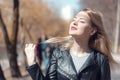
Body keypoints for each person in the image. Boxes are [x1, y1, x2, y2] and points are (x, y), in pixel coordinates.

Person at [25, 8, 114, 80]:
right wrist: (32, 64)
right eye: (74, 19)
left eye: (81, 21)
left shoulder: (100, 60)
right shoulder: (58, 54)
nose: (74, 22)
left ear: (92, 30)